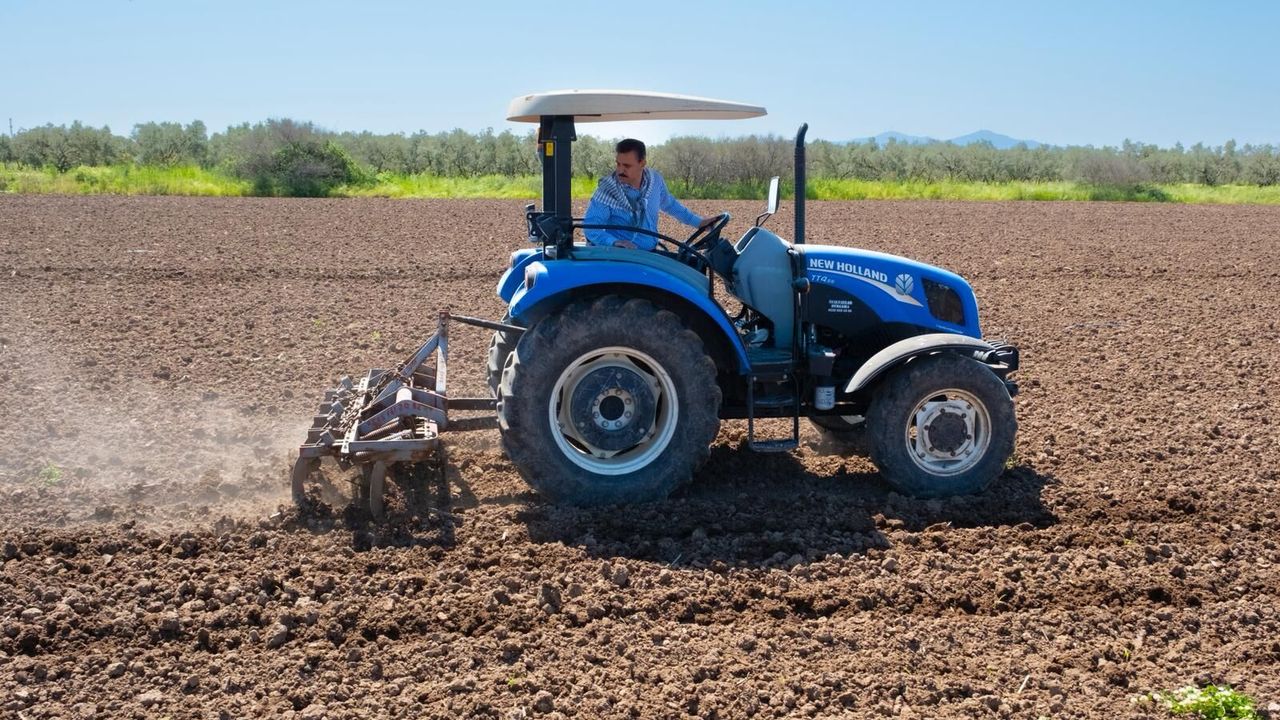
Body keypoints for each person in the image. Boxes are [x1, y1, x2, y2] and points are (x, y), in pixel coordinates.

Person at [583, 138, 715, 250]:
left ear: (642, 163)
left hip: (650, 252)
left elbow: (670, 204)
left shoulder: (655, 180)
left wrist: (699, 222)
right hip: (624, 257)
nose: (620, 170)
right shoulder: (607, 191)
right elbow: (591, 228)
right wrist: (614, 242)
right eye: (618, 164)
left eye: (627, 166)